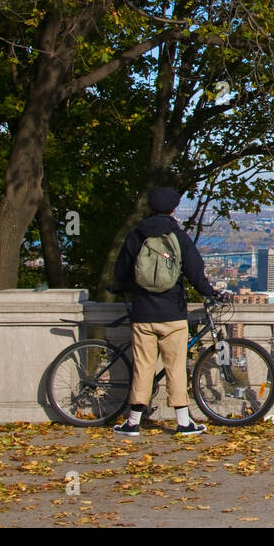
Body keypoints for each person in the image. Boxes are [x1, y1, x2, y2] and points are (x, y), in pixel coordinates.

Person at [111, 186, 217, 436]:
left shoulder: (137, 235)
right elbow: (195, 271)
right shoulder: (178, 236)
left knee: (143, 367)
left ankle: (133, 422)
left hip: (143, 313)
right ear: (173, 209)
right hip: (173, 313)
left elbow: (122, 270)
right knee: (176, 368)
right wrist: (210, 293)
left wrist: (127, 290)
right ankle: (183, 422)